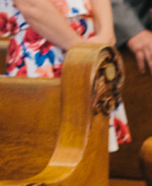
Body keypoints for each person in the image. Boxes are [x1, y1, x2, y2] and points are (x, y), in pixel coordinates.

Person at [1, 0, 131, 150]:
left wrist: (106, 33)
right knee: (46, 148)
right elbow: (32, 5)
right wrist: (81, 52)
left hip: (91, 40)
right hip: (44, 44)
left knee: (94, 151)